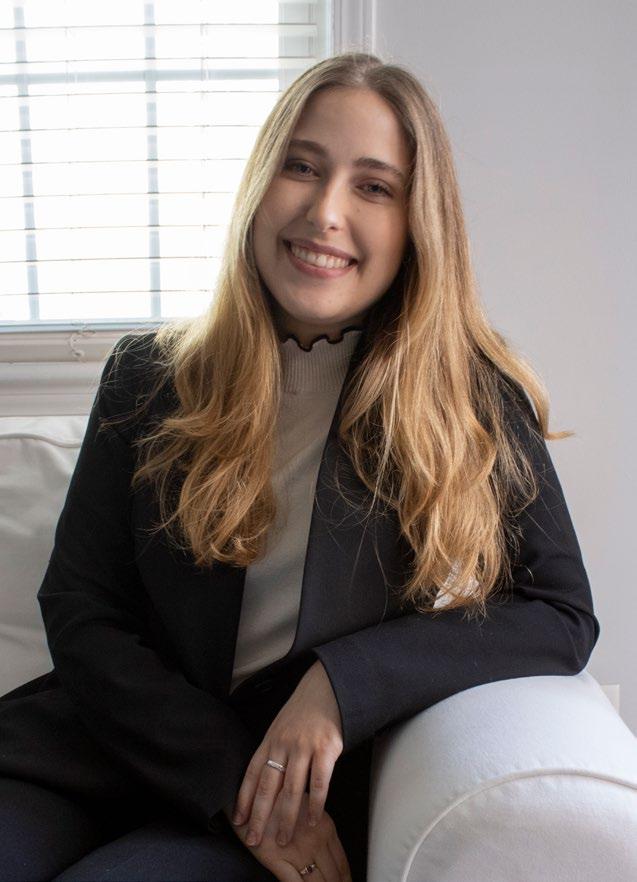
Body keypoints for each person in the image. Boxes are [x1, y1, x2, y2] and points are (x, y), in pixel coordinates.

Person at [0, 50, 600, 882]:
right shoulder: (147, 375)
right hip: (91, 755)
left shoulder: (468, 397)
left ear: (417, 223)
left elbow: (558, 611)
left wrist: (337, 684)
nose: (325, 212)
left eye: (373, 186)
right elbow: (80, 608)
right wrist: (222, 775)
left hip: (280, 797)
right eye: (301, 167)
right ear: (259, 185)